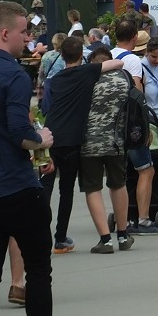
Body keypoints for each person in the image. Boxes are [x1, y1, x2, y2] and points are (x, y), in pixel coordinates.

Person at [0, 1, 86, 316]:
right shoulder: (15, 75)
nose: (30, 38)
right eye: (25, 31)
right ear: (5, 33)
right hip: (17, 187)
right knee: (38, 270)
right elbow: (16, 131)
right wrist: (40, 137)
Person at [40, 38, 124, 253]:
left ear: (62, 55)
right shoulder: (87, 72)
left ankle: (40, 235)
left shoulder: (55, 80)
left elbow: (46, 106)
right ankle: (60, 238)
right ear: (81, 56)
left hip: (50, 136)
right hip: (72, 140)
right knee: (66, 190)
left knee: (45, 189)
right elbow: (117, 64)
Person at [79, 47, 135, 253]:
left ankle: (105, 239)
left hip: (89, 143)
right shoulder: (123, 79)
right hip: (117, 141)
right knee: (118, 185)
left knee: (93, 188)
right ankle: (122, 234)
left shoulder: (86, 80)